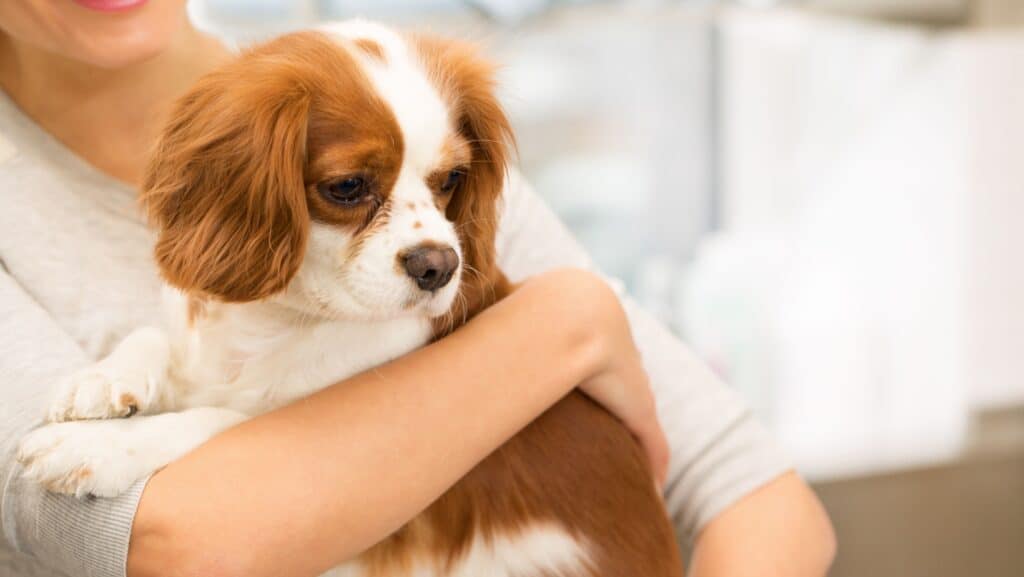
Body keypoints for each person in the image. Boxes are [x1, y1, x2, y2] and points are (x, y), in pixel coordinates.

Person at [0, 2, 836, 577]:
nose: (434, 245)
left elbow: (760, 495)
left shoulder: (401, 100)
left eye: (444, 187)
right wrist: (562, 323)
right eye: (346, 189)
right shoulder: (295, 115)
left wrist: (571, 314)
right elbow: (165, 540)